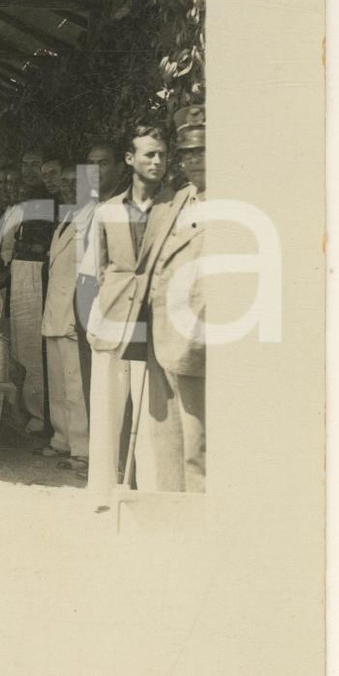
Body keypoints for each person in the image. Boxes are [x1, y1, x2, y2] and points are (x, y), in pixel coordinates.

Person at [84, 122, 179, 497]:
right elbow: (94, 271)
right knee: (107, 408)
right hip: (111, 316)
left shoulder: (175, 207)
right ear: (130, 159)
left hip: (155, 320)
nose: (157, 161)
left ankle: (151, 495)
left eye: (162, 155)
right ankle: (101, 493)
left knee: (151, 413)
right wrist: (93, 321)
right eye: (149, 154)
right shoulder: (107, 211)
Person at [147, 105, 206, 493]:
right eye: (186, 154)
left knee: (197, 439)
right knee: (165, 434)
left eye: (201, 152)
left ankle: (202, 515)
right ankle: (170, 511)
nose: (192, 161)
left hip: (199, 334)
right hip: (162, 328)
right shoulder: (179, 199)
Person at [0, 149, 56, 434]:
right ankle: (24, 410)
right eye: (26, 164)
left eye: (37, 164)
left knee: (33, 346)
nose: (30, 170)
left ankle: (40, 415)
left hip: (35, 274)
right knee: (20, 344)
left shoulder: (52, 198)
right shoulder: (23, 201)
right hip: (18, 273)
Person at [40, 163, 89, 470]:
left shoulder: (90, 219)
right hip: (54, 311)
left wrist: (78, 312)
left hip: (72, 312)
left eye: (76, 182)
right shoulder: (65, 219)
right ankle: (62, 439)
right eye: (66, 181)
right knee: (58, 382)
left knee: (75, 384)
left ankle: (82, 448)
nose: (70, 187)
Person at [73, 140, 126, 414]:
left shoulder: (125, 206)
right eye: (90, 164)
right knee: (90, 379)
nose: (95, 170)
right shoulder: (91, 206)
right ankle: (98, 454)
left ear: (120, 166)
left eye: (103, 163)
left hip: (107, 296)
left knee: (111, 381)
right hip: (84, 294)